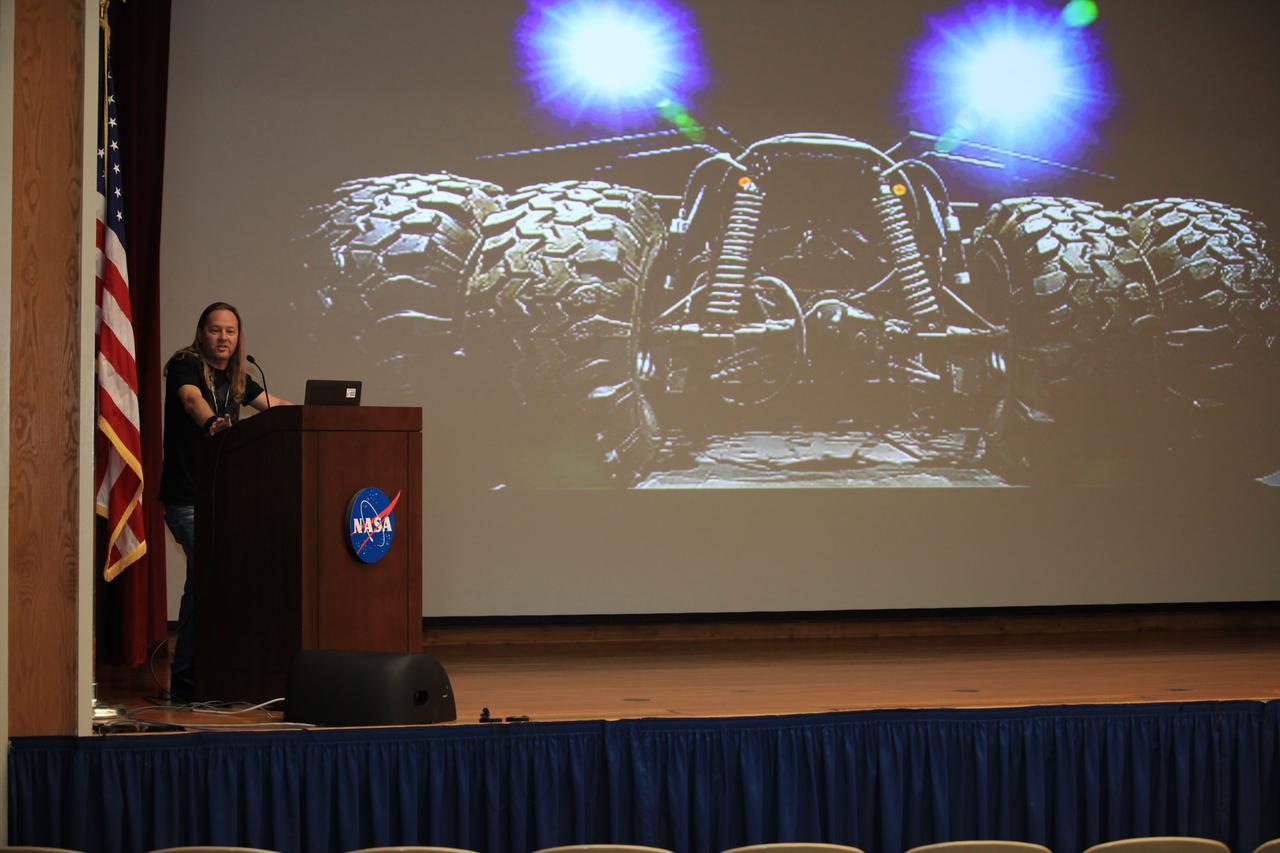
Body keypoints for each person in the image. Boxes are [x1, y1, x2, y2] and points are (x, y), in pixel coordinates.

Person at [158, 301, 291, 703]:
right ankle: (193, 680)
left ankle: (196, 680)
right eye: (216, 330)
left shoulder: (238, 377)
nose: (223, 339)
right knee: (214, 580)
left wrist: (318, 413)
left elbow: (273, 406)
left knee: (204, 584)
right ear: (201, 333)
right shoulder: (185, 365)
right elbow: (190, 401)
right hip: (187, 500)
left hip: (223, 500)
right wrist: (211, 422)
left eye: (230, 332)